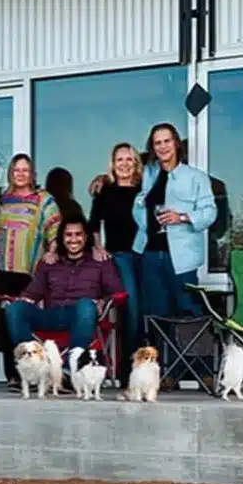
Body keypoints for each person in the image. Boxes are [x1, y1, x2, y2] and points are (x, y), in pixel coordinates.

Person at [4, 215, 124, 359]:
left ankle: (72, 365)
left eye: (78, 234)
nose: (73, 240)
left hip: (81, 315)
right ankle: (34, 364)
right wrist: (23, 301)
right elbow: (32, 293)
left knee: (86, 305)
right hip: (52, 314)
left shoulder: (100, 261)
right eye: (68, 235)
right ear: (61, 238)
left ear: (86, 237)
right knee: (16, 308)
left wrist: (103, 302)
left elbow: (117, 292)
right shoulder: (50, 261)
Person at [134, 122, 217, 317]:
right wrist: (103, 179)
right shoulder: (148, 175)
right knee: (156, 315)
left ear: (176, 144)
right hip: (151, 254)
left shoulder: (196, 177)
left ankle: (191, 350)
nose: (163, 147)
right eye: (157, 143)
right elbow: (122, 175)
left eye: (167, 141)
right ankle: (161, 349)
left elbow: (210, 213)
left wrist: (182, 217)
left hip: (181, 257)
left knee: (187, 311)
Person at [0, 153, 62, 381]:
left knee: (22, 323)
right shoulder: (0, 199)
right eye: (16, 170)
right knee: (3, 325)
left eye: (25, 170)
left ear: (32, 174)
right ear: (10, 173)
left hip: (29, 273)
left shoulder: (44, 199)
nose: (20, 174)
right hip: (1, 271)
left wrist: (52, 252)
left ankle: (32, 374)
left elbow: (55, 230)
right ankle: (13, 375)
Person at [88, 142, 142, 383]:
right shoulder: (105, 191)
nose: (124, 164)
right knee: (131, 309)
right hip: (119, 256)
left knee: (148, 310)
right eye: (119, 159)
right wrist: (98, 247)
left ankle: (148, 368)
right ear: (113, 164)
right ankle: (128, 370)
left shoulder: (144, 190)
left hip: (145, 254)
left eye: (129, 159)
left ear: (136, 164)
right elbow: (93, 223)